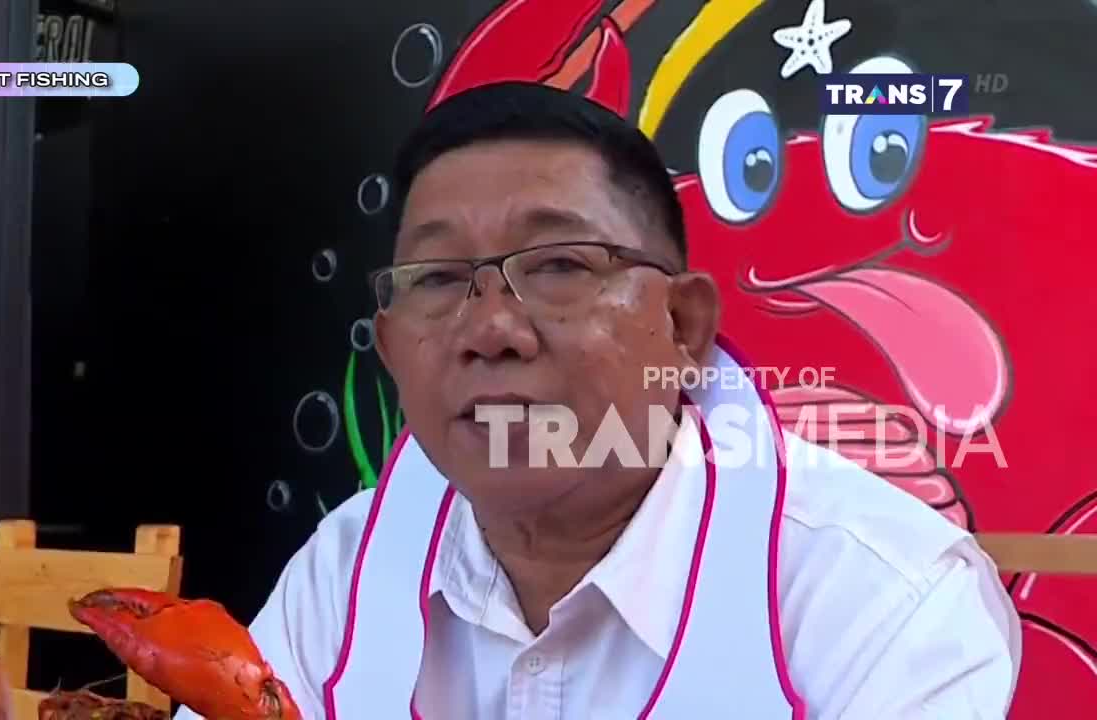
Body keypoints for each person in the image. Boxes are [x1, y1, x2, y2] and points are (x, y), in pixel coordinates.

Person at [177, 82, 1021, 718]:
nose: (490, 329)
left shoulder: (884, 600)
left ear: (684, 326)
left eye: (559, 266)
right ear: (392, 349)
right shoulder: (349, 564)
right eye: (438, 278)